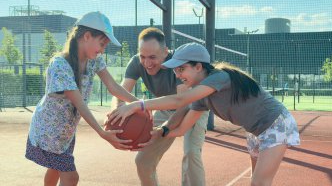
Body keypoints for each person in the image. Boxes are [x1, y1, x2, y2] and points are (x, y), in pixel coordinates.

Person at [108, 42, 300, 186]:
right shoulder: (201, 97)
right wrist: (161, 131)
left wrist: (136, 105)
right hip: (255, 131)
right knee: (256, 179)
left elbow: (178, 100)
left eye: (182, 69)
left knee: (259, 183)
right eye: (175, 70)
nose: (178, 75)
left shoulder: (219, 78)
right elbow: (182, 128)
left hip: (275, 124)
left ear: (199, 67)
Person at [25, 11, 137, 186]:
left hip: (65, 133)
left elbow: (113, 87)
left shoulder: (94, 61)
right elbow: (79, 103)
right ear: (86, 36)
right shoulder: (60, 64)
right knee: (71, 177)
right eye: (102, 43)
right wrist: (102, 132)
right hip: (48, 132)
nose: (102, 49)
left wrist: (139, 104)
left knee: (55, 169)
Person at [111, 28, 209, 186]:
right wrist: (117, 117)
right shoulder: (137, 62)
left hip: (193, 106)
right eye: (143, 56)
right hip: (165, 108)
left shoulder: (179, 63)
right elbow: (121, 94)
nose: (147, 63)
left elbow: (182, 103)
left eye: (152, 57)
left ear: (165, 51)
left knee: (191, 154)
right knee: (143, 160)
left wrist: (164, 129)